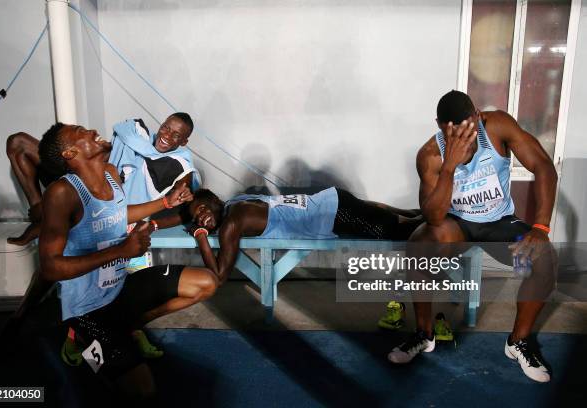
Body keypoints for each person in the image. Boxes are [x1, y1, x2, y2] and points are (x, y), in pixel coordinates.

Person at [386, 90, 557, 383]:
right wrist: (450, 165)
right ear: (439, 126)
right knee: (419, 246)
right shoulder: (430, 155)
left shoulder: (498, 126)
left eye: (467, 130)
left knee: (545, 260)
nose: (462, 139)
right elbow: (434, 217)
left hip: (500, 222)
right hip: (458, 224)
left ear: (477, 116)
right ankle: (424, 334)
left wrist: (540, 227)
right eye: (452, 134)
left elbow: (543, 166)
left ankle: (517, 343)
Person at [36, 122, 217, 398]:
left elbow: (120, 212)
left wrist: (165, 203)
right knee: (141, 392)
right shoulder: (62, 194)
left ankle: (123, 330)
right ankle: (89, 345)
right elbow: (50, 268)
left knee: (206, 282)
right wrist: (121, 251)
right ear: (70, 154)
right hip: (87, 309)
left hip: (120, 291)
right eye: (80, 133)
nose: (90, 130)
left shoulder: (110, 174)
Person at [5, 113, 196, 245]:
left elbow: (184, 196)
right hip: (85, 182)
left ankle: (45, 220)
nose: (166, 135)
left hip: (104, 206)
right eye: (165, 128)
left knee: (88, 210)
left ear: (183, 142)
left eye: (176, 135)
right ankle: (39, 210)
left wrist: (155, 222)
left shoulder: (179, 164)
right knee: (18, 142)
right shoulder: (137, 132)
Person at [186, 187, 422, 283]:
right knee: (403, 216)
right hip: (332, 199)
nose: (202, 217)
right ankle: (427, 215)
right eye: (197, 218)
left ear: (215, 200)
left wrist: (200, 236)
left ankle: (444, 221)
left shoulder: (233, 222)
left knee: (397, 232)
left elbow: (218, 275)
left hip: (333, 214)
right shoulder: (235, 202)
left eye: (203, 209)